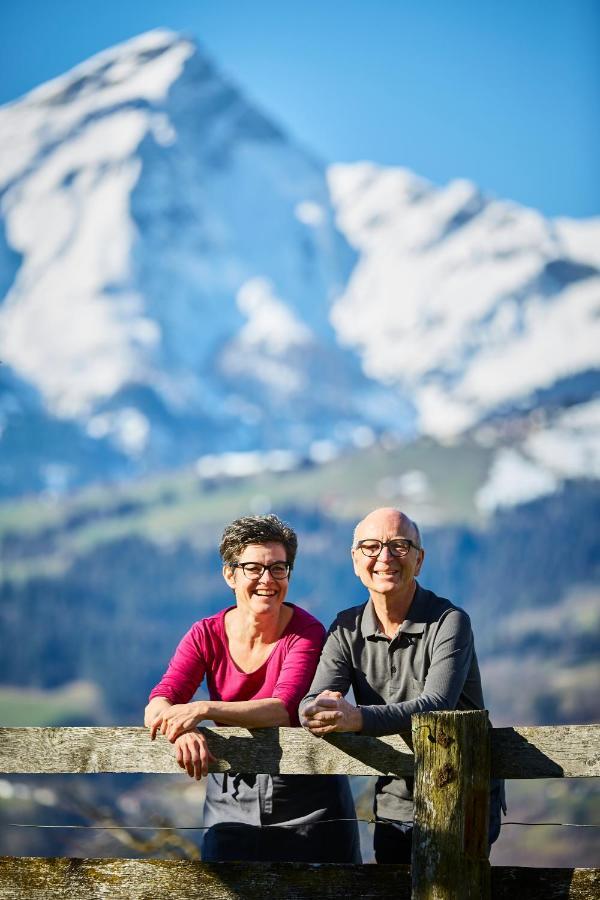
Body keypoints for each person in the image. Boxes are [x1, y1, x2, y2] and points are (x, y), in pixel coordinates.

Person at [145, 513, 360, 863]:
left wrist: (202, 709)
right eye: (254, 569)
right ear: (230, 574)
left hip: (308, 800)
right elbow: (160, 699)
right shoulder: (204, 634)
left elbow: (282, 708)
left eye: (279, 568)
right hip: (229, 797)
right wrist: (178, 730)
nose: (268, 580)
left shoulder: (306, 633)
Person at [300, 506, 504, 863]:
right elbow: (314, 698)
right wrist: (314, 711)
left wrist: (356, 718)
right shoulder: (345, 629)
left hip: (461, 793)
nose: (384, 557)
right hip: (394, 801)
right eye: (371, 546)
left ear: (419, 559)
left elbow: (436, 705)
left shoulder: (449, 622)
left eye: (398, 545)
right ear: (354, 558)